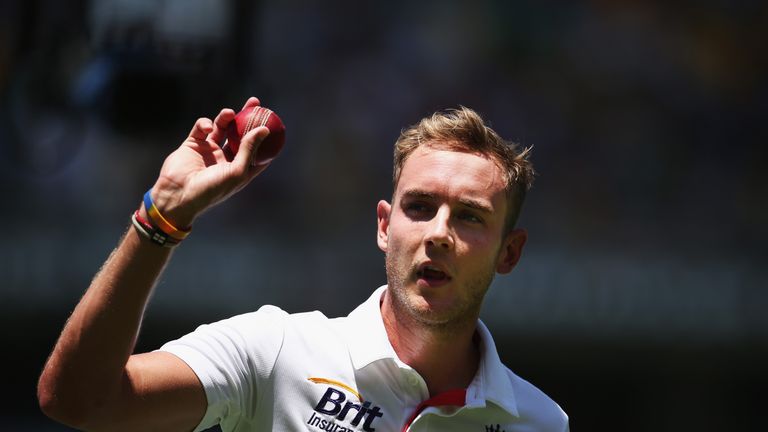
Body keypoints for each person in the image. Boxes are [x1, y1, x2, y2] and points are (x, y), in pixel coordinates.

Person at [38, 97, 569, 432]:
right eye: (420, 207)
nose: (438, 234)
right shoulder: (275, 351)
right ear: (385, 227)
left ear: (509, 253)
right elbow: (80, 402)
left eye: (470, 217)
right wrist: (161, 220)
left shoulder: (542, 422)